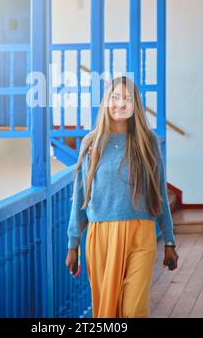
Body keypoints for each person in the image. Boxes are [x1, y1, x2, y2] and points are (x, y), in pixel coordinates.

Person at [65, 75, 179, 318]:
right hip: (101, 237)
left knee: (133, 310)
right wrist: (72, 244)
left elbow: (158, 193)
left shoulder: (147, 142)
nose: (120, 103)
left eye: (127, 98)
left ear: (135, 104)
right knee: (107, 314)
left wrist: (169, 241)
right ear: (107, 101)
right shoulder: (91, 143)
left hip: (141, 235)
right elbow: (80, 197)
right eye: (115, 97)